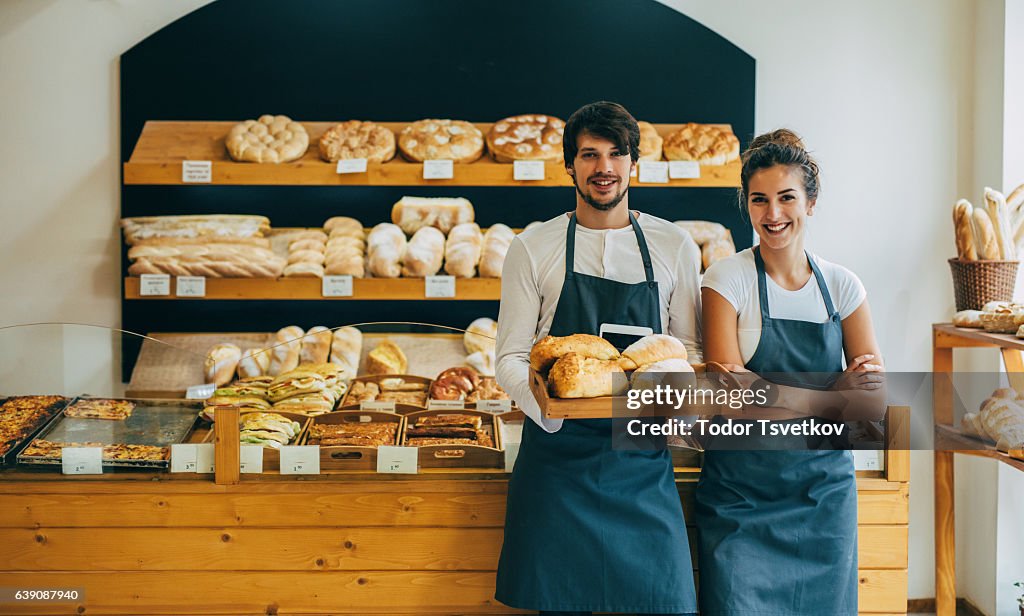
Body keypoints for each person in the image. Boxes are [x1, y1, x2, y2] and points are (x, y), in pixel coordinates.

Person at [492, 101, 701, 616]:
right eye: (589, 154)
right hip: (556, 469)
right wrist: (554, 411)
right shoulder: (532, 247)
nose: (603, 167)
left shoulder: (675, 246)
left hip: (642, 465)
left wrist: (672, 410)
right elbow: (511, 358)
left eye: (616, 153)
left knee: (662, 602)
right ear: (569, 165)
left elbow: (688, 351)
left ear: (634, 164)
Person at [696, 128, 885, 615]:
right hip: (741, 498)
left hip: (822, 499)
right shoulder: (725, 280)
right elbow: (730, 400)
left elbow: (870, 405)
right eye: (759, 200)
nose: (773, 214)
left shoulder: (843, 287)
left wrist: (775, 394)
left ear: (811, 202)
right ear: (747, 204)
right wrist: (828, 395)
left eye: (786, 198)